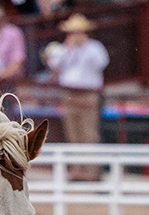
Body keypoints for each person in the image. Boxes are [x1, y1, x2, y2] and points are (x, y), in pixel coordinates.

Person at [43, 13, 108, 179]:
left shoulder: (95, 47)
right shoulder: (64, 48)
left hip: (88, 94)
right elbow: (54, 63)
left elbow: (101, 63)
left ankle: (91, 171)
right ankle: (77, 169)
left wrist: (83, 45)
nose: (76, 35)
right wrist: (68, 49)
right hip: (69, 94)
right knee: (73, 133)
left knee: (89, 133)